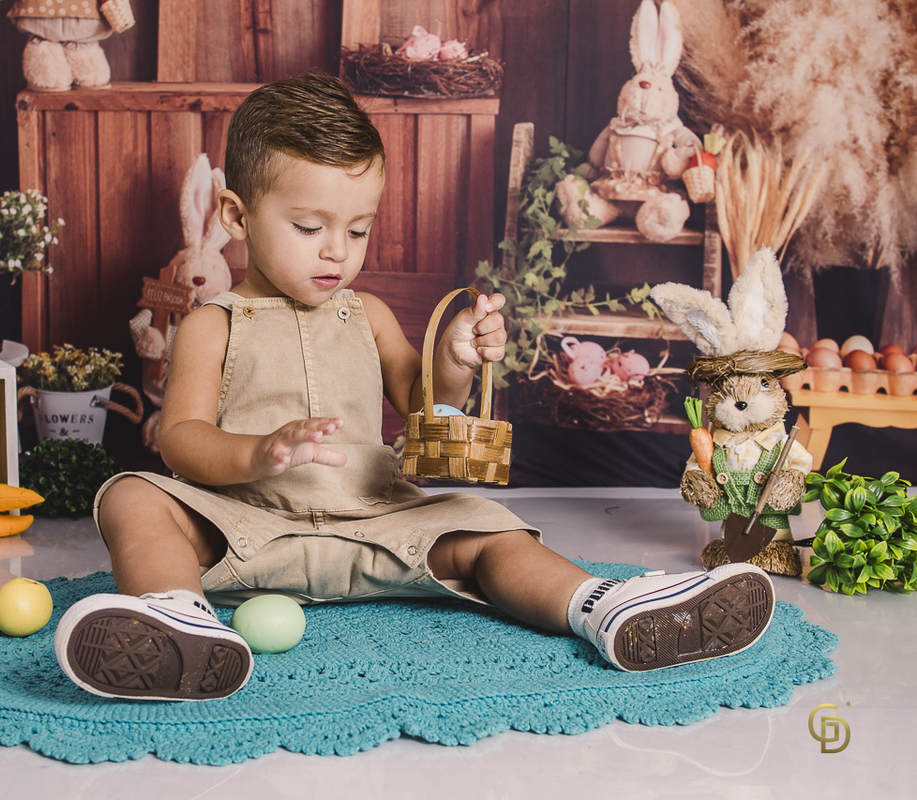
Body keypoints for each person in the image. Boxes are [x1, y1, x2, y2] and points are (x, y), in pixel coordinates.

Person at [53, 73, 775, 702]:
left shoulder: (366, 314)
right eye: (308, 226)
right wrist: (256, 454)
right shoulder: (213, 324)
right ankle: (177, 618)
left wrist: (456, 356)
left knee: (491, 529)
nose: (337, 250)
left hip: (378, 527)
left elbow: (423, 400)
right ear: (237, 217)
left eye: (358, 230)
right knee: (131, 496)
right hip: (245, 531)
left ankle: (604, 608)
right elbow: (180, 440)